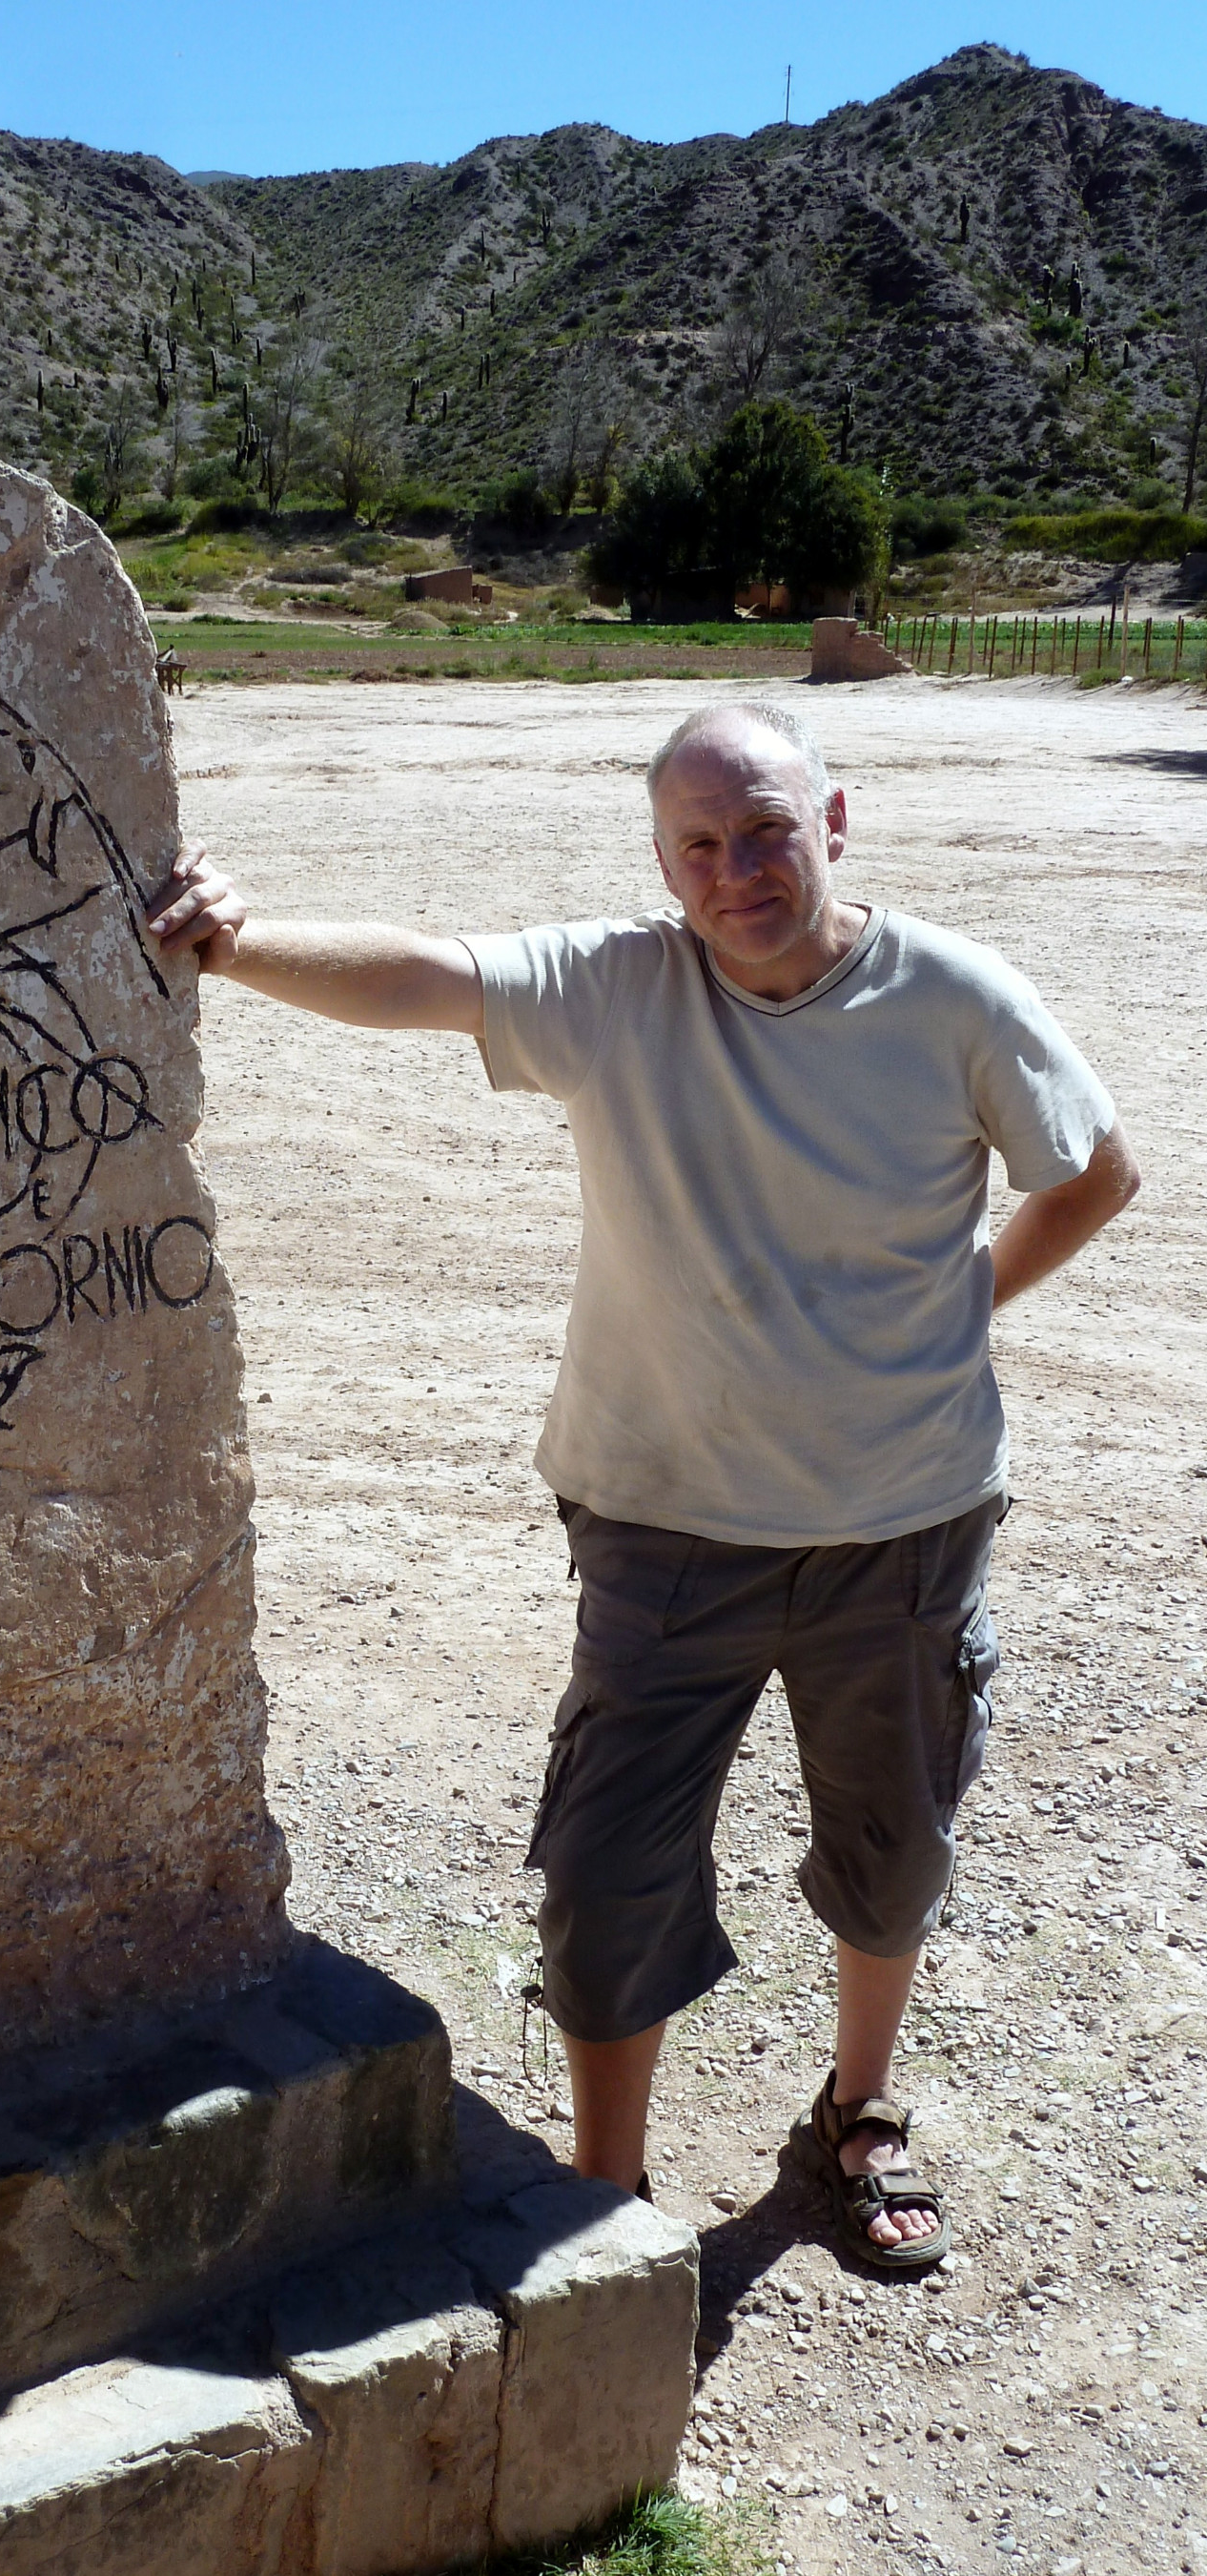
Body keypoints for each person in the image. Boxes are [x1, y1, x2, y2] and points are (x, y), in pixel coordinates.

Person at [147, 700, 1137, 2273]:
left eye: (764, 829)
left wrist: (966, 1305)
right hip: (664, 1525)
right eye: (700, 843)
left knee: (893, 1849)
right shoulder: (622, 986)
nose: (737, 867)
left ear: (834, 821)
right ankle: (612, 2205)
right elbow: (430, 973)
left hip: (906, 1524)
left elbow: (1094, 1168)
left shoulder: (953, 996)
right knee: (608, 1883)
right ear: (663, 861)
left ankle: (856, 2116)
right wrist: (236, 943)